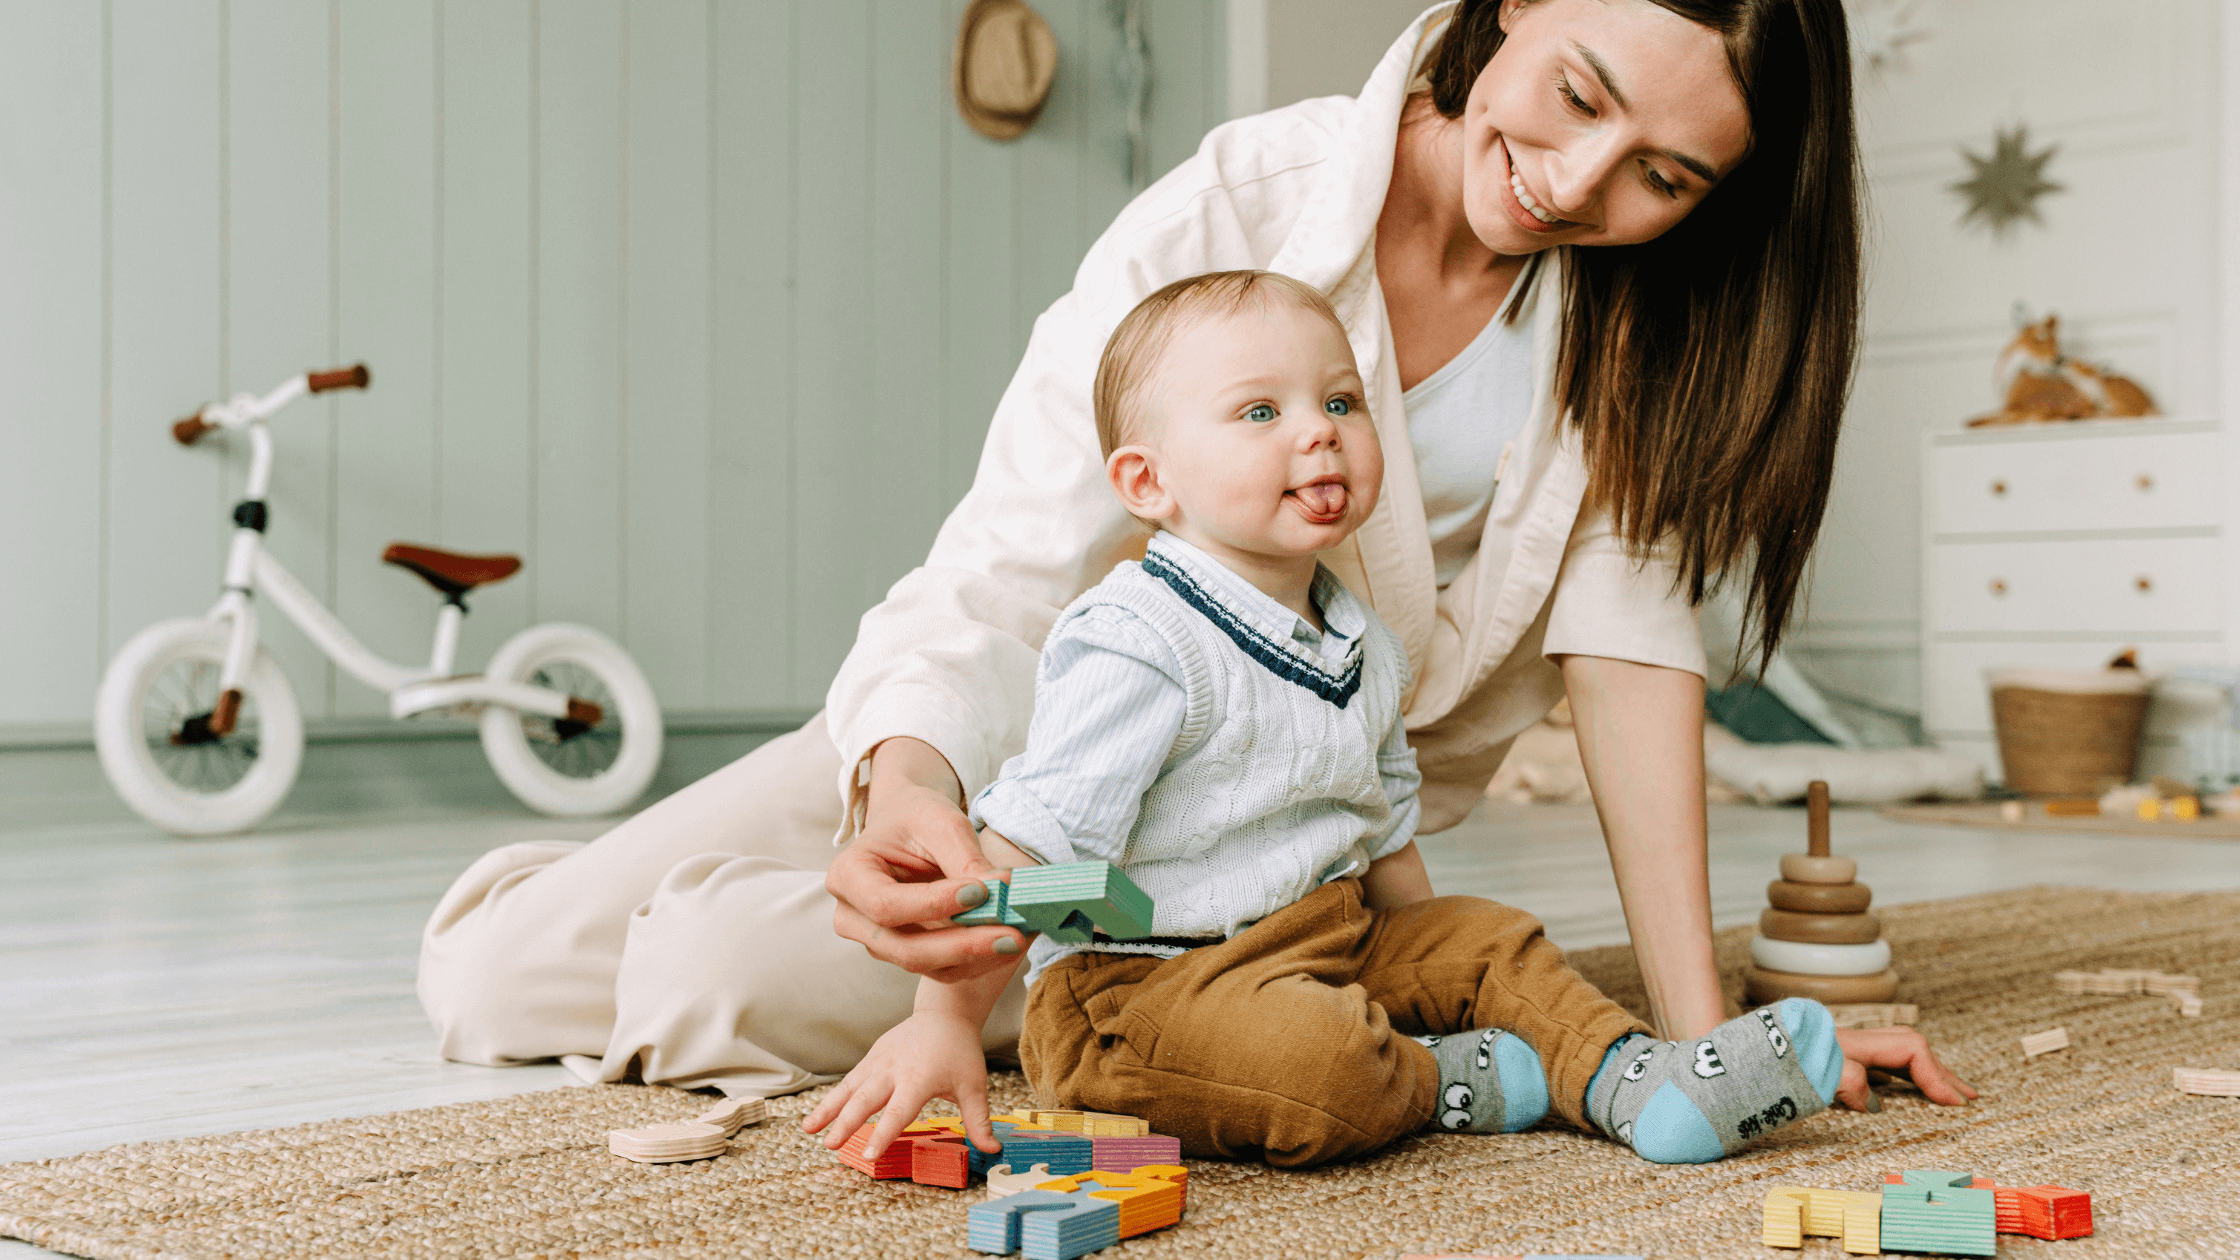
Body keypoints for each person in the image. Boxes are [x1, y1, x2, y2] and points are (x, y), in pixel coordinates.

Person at [418, 0, 1972, 1111]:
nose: (1578, 182)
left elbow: (1634, 667)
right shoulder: (1247, 205)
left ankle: (1163, 997)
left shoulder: (1638, 341)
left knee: (702, 972)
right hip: (1037, 733)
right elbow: (1008, 569)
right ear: (1510, 6)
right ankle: (761, 880)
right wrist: (904, 788)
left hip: (1247, 859)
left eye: (1662, 175)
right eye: (1577, 94)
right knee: (488, 978)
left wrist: (1702, 1038)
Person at [804, 269, 1848, 1169]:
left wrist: (1437, 969)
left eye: (1342, 402)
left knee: (1493, 940)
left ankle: (1640, 1084)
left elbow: (1380, 826)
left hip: (1320, 938)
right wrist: (940, 1022)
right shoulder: (1138, 639)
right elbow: (1033, 854)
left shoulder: (1360, 636)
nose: (1319, 431)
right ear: (1146, 481)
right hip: (1139, 994)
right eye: (1259, 413)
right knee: (1320, 1061)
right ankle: (1431, 1080)